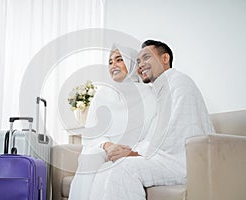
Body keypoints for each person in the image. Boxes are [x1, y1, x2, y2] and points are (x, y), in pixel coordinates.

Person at [86, 40, 215, 200]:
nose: (141, 65)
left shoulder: (179, 83)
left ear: (165, 58)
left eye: (146, 58)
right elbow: (155, 132)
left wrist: (134, 153)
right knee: (110, 167)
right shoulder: (158, 90)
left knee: (123, 169)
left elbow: (175, 139)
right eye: (138, 61)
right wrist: (129, 151)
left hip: (183, 162)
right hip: (166, 157)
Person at [68, 44, 157, 200]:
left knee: (115, 169)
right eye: (110, 62)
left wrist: (129, 152)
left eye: (119, 60)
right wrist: (108, 146)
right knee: (90, 157)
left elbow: (152, 133)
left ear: (132, 64)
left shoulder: (149, 94)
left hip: (133, 152)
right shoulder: (103, 93)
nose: (113, 65)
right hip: (104, 150)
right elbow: (92, 133)